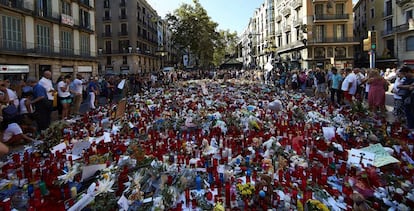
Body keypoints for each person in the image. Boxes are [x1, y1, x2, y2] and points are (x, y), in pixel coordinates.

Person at [397, 66, 414, 136]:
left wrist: (405, 86)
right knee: (407, 113)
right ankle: (410, 126)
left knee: (411, 113)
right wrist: (408, 86)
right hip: (406, 99)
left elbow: (411, 87)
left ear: (409, 72)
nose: (404, 76)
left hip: (411, 98)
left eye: (404, 74)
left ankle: (411, 127)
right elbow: (399, 85)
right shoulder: (406, 79)